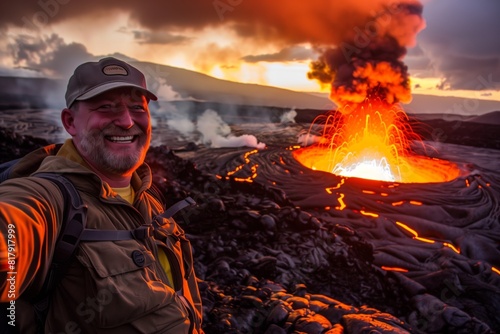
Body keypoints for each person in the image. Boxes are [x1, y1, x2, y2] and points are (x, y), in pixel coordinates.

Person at [0, 57, 203, 333]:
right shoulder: (50, 199)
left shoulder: (147, 197)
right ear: (70, 122)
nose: (127, 121)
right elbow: (13, 224)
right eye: (106, 107)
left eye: (137, 108)